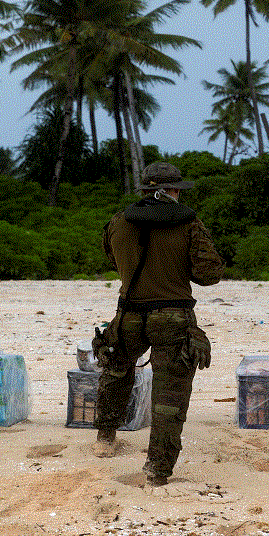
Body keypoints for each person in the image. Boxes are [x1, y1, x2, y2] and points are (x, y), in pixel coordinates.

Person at [93, 161, 224, 486]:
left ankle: (105, 438)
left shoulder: (118, 222)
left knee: (115, 372)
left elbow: (113, 259)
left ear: (145, 189)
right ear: (173, 191)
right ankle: (157, 471)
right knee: (170, 396)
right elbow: (210, 274)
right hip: (173, 317)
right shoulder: (190, 223)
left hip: (128, 315)